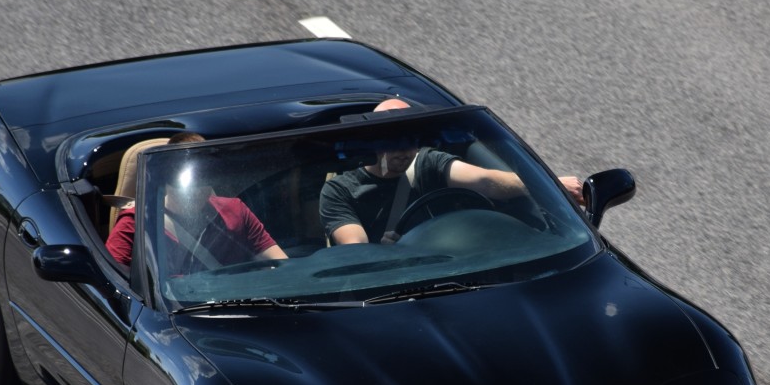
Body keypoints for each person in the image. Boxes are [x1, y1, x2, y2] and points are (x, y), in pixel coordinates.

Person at [319, 99, 586, 245]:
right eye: (392, 141)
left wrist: (550, 185)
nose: (403, 150)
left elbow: (487, 182)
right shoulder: (339, 191)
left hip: (451, 265)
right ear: (373, 143)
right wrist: (387, 253)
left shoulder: (428, 162)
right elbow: (356, 250)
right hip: (391, 288)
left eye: (409, 140)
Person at [106, 132, 288, 267]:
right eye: (184, 182)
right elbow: (114, 286)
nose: (196, 192)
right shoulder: (137, 224)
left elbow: (282, 265)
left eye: (204, 180)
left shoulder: (236, 211)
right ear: (164, 180)